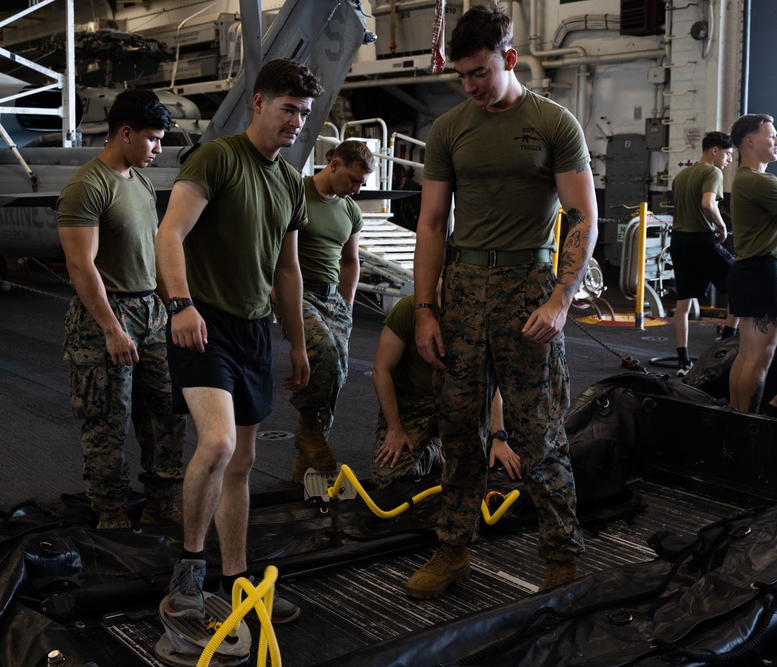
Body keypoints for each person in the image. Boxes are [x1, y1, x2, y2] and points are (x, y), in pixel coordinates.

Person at [407, 2, 598, 599]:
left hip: (529, 291)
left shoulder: (553, 123)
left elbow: (582, 217)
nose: (470, 87)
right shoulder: (449, 129)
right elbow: (432, 224)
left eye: (480, 74)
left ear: (510, 59)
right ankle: (453, 551)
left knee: (537, 432)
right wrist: (424, 309)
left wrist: (562, 299)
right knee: (458, 429)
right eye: (461, 76)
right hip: (462, 291)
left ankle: (563, 558)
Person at [155, 58, 323, 624]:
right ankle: (188, 575)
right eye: (287, 109)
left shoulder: (291, 183)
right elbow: (169, 233)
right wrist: (180, 304)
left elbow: (288, 271)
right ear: (258, 102)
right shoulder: (218, 158)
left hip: (254, 330)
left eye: (303, 112)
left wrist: (298, 345)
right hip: (203, 325)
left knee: (243, 462)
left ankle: (236, 581)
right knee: (219, 445)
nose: (296, 121)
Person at [56, 90, 186, 530]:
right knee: (108, 421)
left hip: (151, 313)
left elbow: (153, 254)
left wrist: (177, 309)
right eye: (152, 139)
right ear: (125, 133)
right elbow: (80, 264)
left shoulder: (141, 182)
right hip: (106, 319)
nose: (158, 149)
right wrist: (111, 329)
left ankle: (162, 503)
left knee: (167, 413)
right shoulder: (86, 187)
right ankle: (111, 514)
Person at [284, 139, 374, 483]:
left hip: (334, 298)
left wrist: (347, 304)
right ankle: (309, 430)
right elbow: (275, 250)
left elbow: (350, 262)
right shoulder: (297, 194)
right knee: (324, 351)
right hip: (299, 293)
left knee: (337, 373)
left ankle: (305, 462)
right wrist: (278, 293)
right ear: (333, 164)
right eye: (352, 180)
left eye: (361, 184)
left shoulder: (351, 210)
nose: (355, 189)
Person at [370, 295, 517, 490]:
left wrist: (498, 438)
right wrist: (394, 430)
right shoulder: (408, 309)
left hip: (460, 400)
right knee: (385, 483)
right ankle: (433, 450)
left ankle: (444, 448)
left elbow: (491, 381)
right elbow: (381, 370)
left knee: (486, 472)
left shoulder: (480, 312)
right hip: (414, 404)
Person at [727, 114, 777, 413]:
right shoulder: (758, 180)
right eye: (772, 135)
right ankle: (747, 424)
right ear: (750, 140)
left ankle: (735, 420)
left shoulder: (743, 179)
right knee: (759, 358)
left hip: (748, 271)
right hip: (764, 272)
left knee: (747, 355)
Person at [670, 132, 739, 376]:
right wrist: (721, 227)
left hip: (678, 240)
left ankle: (683, 361)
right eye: (728, 154)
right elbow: (708, 204)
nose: (729, 159)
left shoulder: (681, 176)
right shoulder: (712, 172)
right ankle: (727, 350)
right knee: (740, 283)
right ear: (714, 151)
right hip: (700, 239)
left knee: (684, 303)